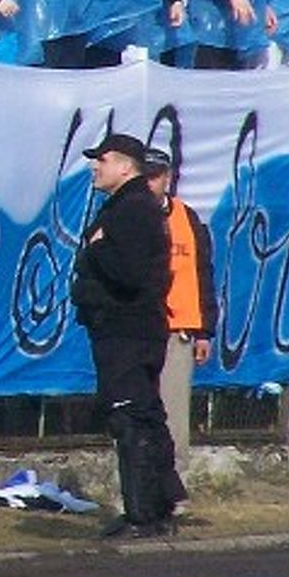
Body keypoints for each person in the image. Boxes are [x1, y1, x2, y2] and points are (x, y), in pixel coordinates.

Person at [70, 131, 180, 538]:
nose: (96, 167)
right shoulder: (132, 205)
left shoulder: (132, 209)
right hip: (129, 331)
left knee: (131, 417)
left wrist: (97, 248)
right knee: (144, 414)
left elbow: (131, 273)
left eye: (103, 160)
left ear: (125, 166)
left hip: (128, 332)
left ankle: (142, 514)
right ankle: (157, 506)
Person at [140, 145, 216, 519]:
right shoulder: (129, 216)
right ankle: (143, 490)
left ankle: (172, 489)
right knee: (137, 411)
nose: (151, 182)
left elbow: (202, 275)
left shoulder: (187, 217)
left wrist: (205, 330)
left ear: (167, 177)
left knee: (173, 414)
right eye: (145, 175)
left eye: (156, 175)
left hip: (178, 330)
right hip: (140, 329)